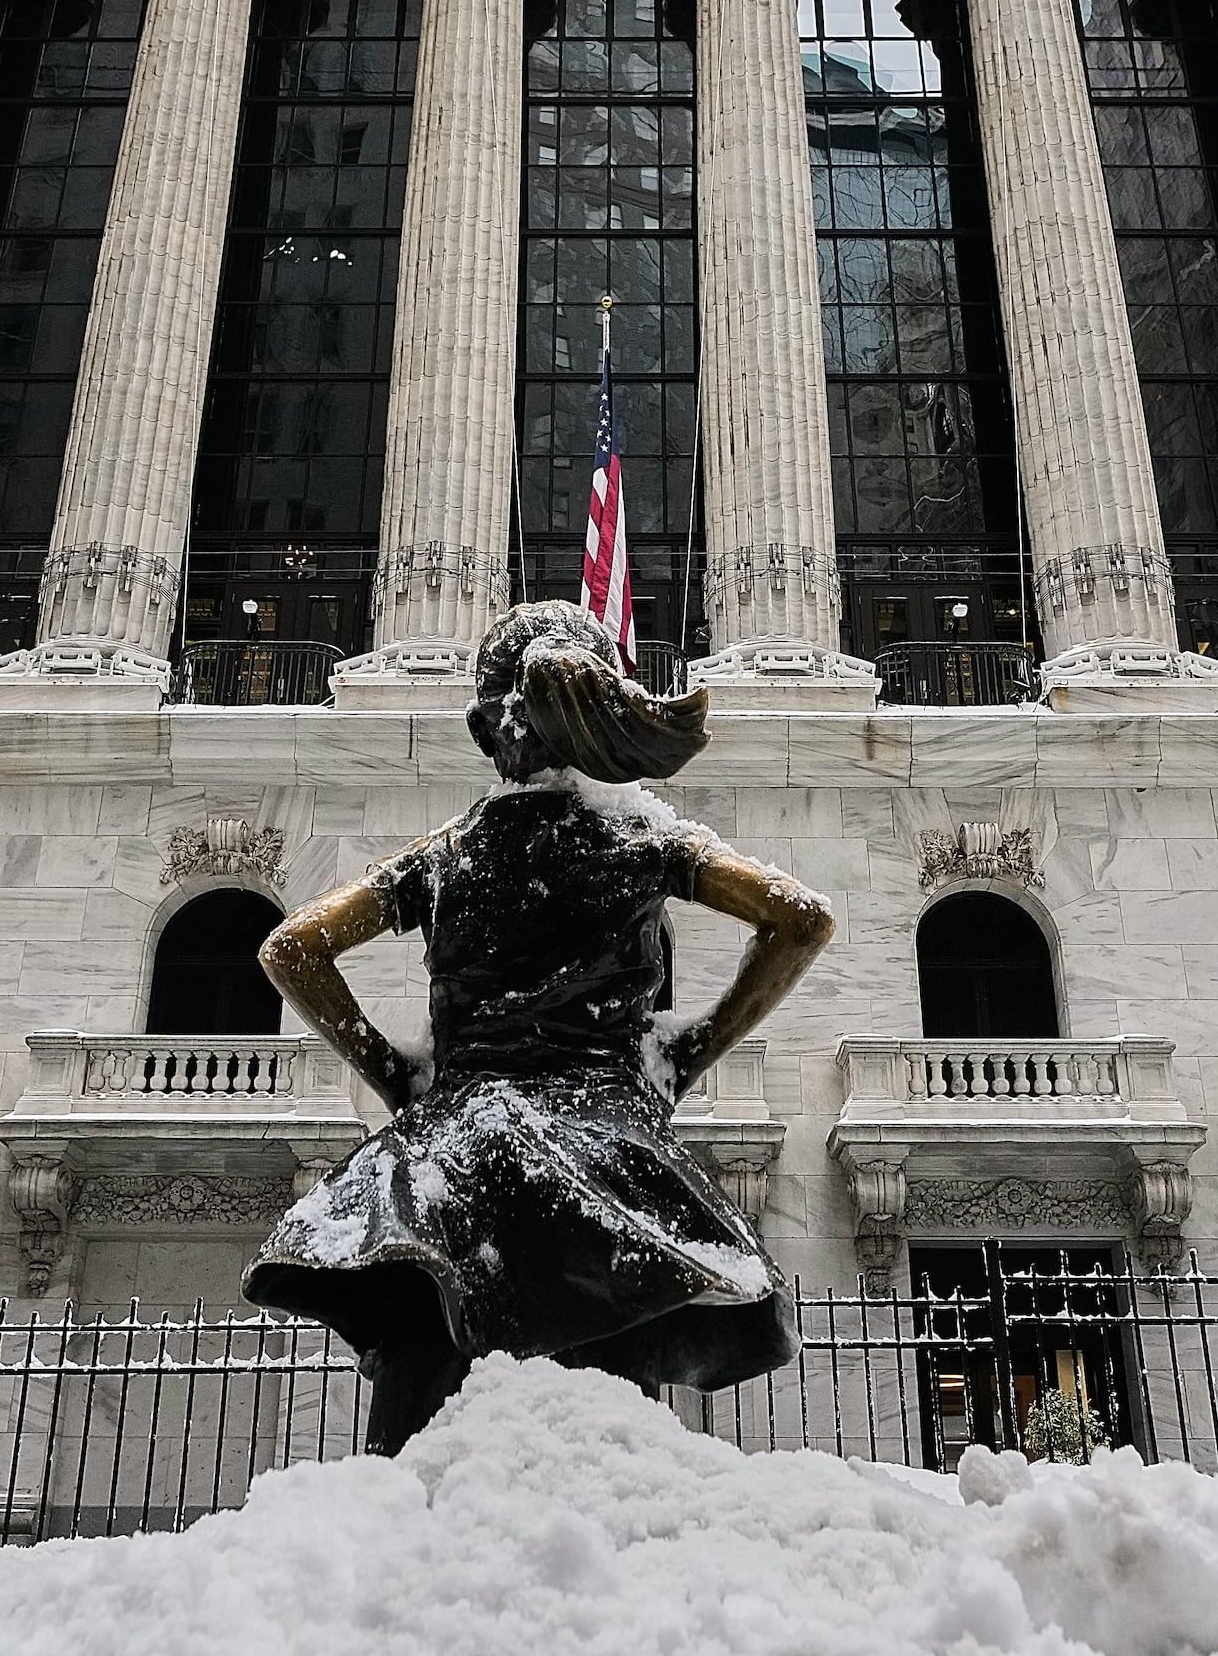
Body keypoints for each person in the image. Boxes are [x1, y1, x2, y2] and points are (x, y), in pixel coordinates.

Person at [243, 604, 835, 1453]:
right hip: (602, 1165)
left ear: (488, 726)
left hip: (453, 1157)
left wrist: (399, 1075)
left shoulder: (450, 854)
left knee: (418, 1446)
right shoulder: (643, 839)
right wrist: (686, 1054)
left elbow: (293, 946)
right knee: (599, 1446)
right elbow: (801, 920)